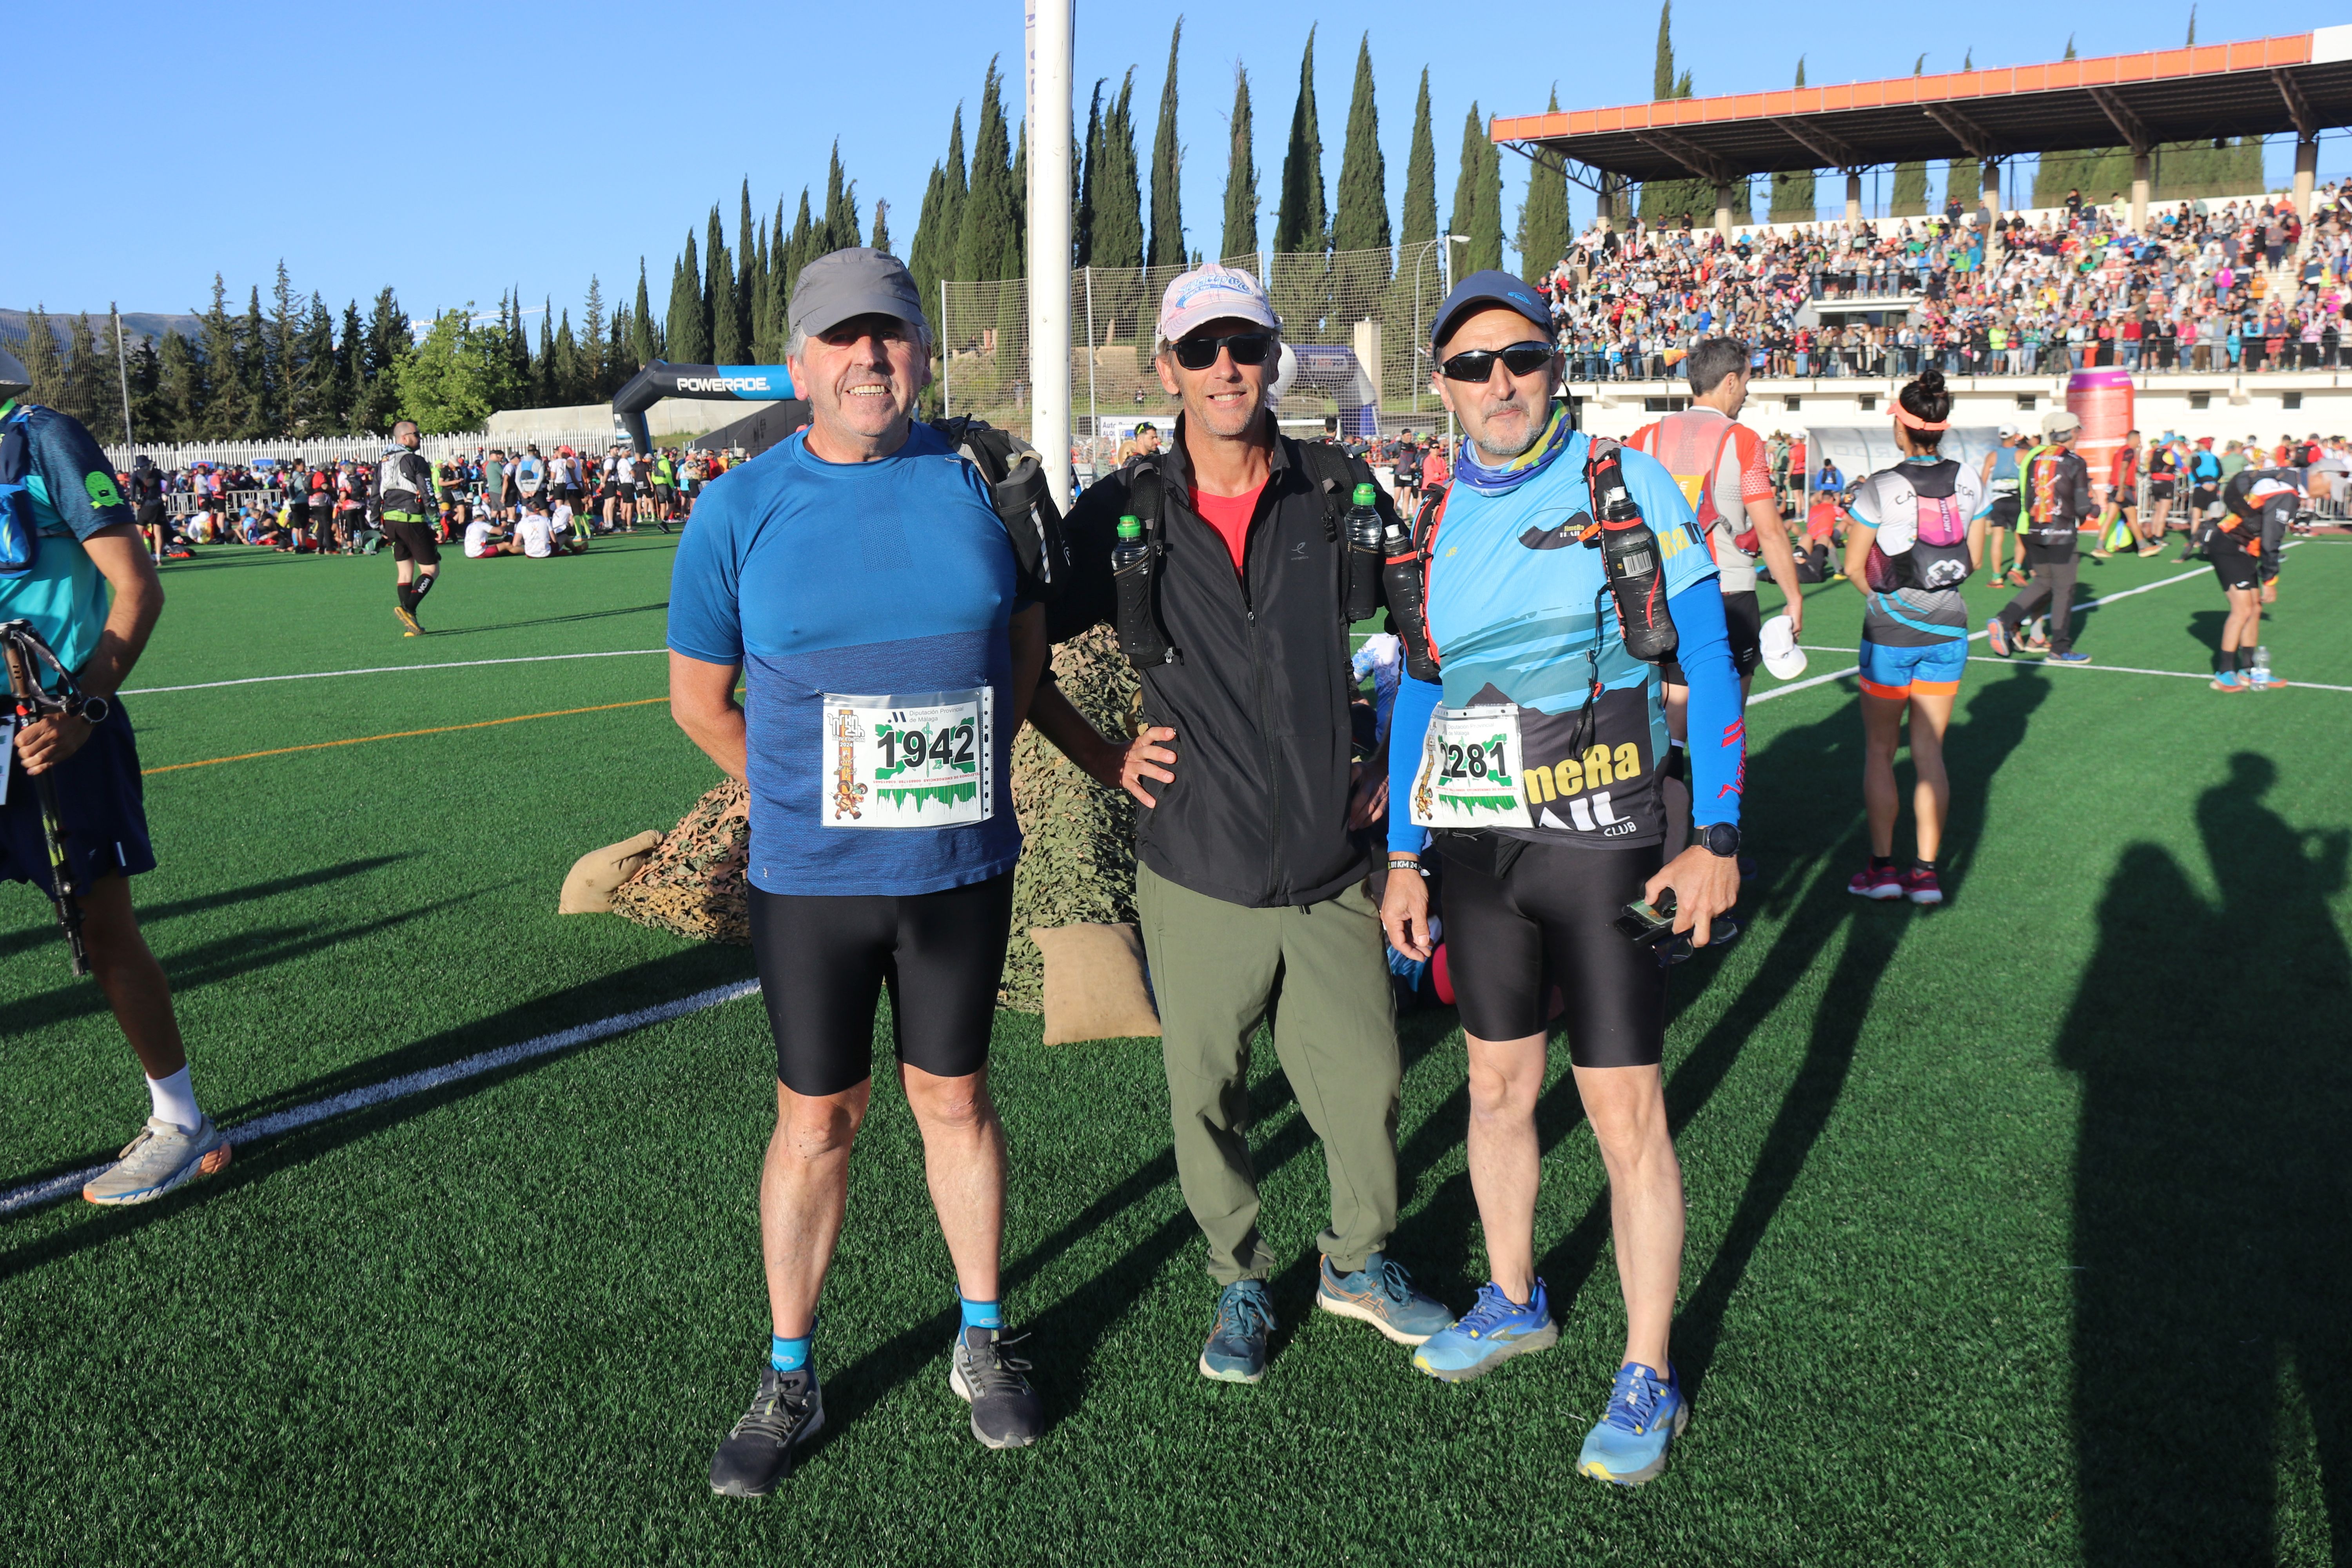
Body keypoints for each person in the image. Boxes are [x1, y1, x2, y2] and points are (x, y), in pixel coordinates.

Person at [1028, 263, 1454, 1387]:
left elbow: (1426, 638)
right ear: (1167, 367)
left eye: (1247, 347)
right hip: (1197, 863)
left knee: (1365, 1083)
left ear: (1274, 360)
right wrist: (1105, 755)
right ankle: (1240, 1280)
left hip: (1329, 862)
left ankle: (1357, 1263)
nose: (1228, 369)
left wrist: (1393, 768)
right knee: (1204, 1094)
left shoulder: (1335, 487)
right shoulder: (1121, 512)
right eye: (1205, 349)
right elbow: (1021, 651)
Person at [668, 248, 1050, 1497]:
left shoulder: (979, 481)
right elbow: (697, 702)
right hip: (811, 882)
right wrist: (798, 798)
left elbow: (1029, 653)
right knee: (817, 1120)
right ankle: (789, 1367)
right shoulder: (736, 507)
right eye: (841, 339)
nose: (867, 358)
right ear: (798, 364)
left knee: (954, 1102)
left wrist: (968, 770)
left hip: (955, 870)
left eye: (888, 335)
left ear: (922, 351)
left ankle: (980, 1337)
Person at [1378, 272, 1745, 1488]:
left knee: (1623, 1114)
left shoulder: (1619, 479)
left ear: (1554, 365)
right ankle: (1510, 1293)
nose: (1499, 383)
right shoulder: (1431, 515)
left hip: (1601, 845)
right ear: (1440, 384)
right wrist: (1400, 856)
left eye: (1521, 358)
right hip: (1479, 853)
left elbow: (1704, 646)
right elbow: (1424, 687)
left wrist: (1720, 832)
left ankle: (1646, 1366)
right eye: (1474, 364)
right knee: (1492, 1089)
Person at [0, 349, 230, 1205]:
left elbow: (137, 588)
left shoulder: (44, 440)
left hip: (54, 726)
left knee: (102, 929)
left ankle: (181, 1120)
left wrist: (81, 711)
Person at [1839, 368, 1989, 905]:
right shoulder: (1971, 479)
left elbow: (1855, 568)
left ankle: (1881, 869)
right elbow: (1971, 560)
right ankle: (1926, 874)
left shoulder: (1880, 486)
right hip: (1950, 629)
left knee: (1881, 752)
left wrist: (1887, 598)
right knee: (1930, 754)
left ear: (1902, 428)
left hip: (1889, 634)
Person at [1989, 410, 2093, 663]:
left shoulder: (2032, 457)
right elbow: (2081, 507)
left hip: (2031, 528)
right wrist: (2095, 506)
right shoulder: (2073, 460)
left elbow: (2026, 493)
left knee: (2043, 583)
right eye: (2077, 430)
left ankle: (2007, 621)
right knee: (2063, 589)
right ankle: (2059, 647)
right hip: (2060, 532)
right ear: (2069, 433)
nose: (2079, 434)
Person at [2207, 465, 2302, 690]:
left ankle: (2249, 670)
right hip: (2229, 545)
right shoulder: (2286, 493)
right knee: (2242, 610)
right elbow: (2271, 540)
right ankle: (2224, 672)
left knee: (2255, 609)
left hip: (2245, 549)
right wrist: (2270, 581)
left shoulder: (2287, 490)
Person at [379, 422, 443, 635]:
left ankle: (412, 625)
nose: (420, 438)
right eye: (417, 434)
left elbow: (373, 494)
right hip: (412, 519)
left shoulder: (384, 461)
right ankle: (409, 608)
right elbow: (427, 493)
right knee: (431, 570)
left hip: (390, 520)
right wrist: (436, 523)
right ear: (405, 438)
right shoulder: (416, 461)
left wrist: (373, 523)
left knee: (405, 573)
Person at [1979, 425, 2026, 587]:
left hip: (1997, 501)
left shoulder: (1992, 456)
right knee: (2020, 537)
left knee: (1997, 539)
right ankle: (2017, 568)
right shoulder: (2022, 454)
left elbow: (1983, 482)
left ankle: (1997, 577)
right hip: (2016, 500)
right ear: (2015, 436)